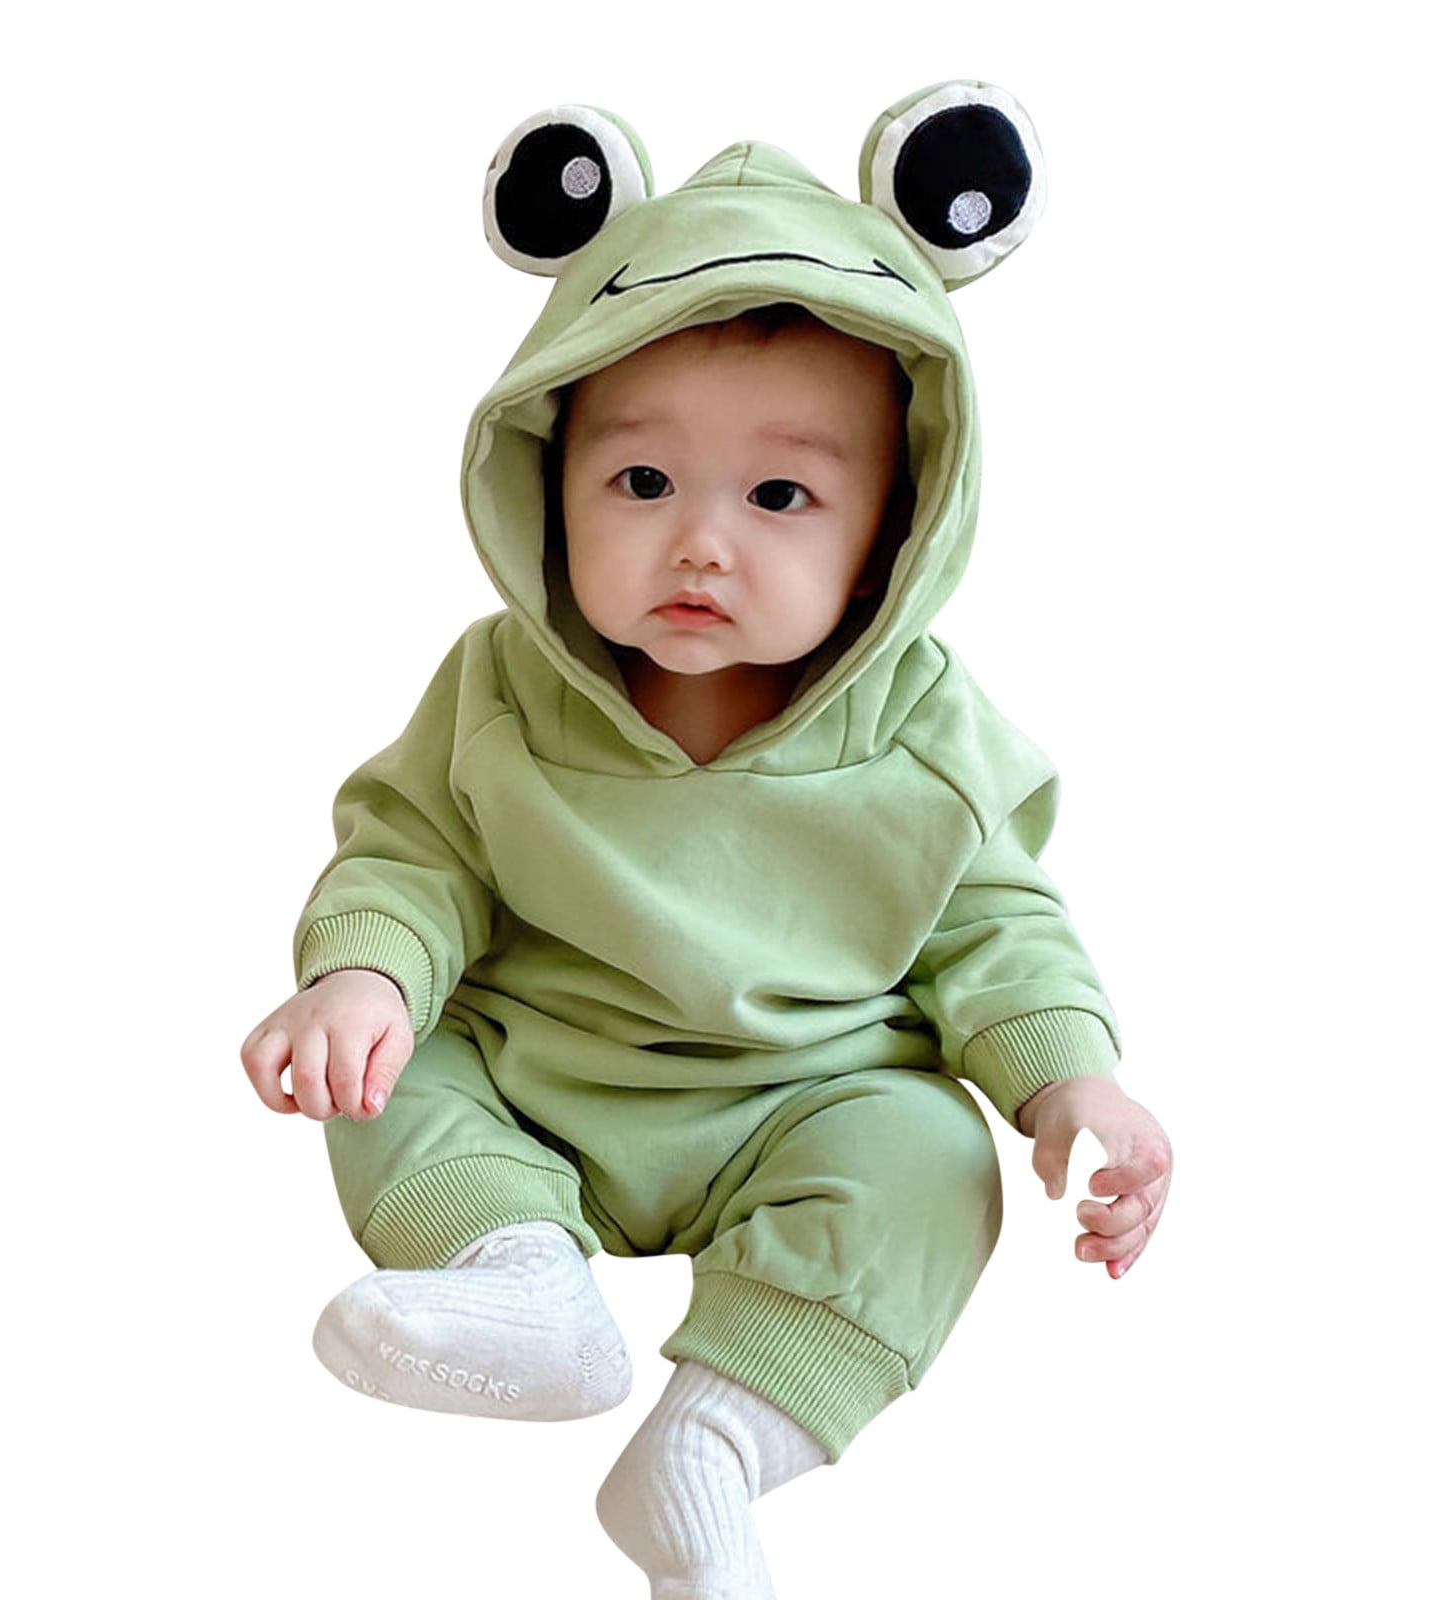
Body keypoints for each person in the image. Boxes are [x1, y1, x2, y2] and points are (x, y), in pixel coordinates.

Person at [241, 85, 1172, 1600]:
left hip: (805, 1100)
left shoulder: (924, 729)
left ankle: (717, 1442)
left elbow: (999, 928)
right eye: (641, 481)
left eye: (782, 494)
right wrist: (364, 977)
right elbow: (412, 852)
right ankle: (519, 1282)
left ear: (891, 536)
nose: (700, 542)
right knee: (383, 1071)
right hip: (540, 1081)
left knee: (933, 1159)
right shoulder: (504, 686)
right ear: (547, 485)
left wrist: (1073, 1081)